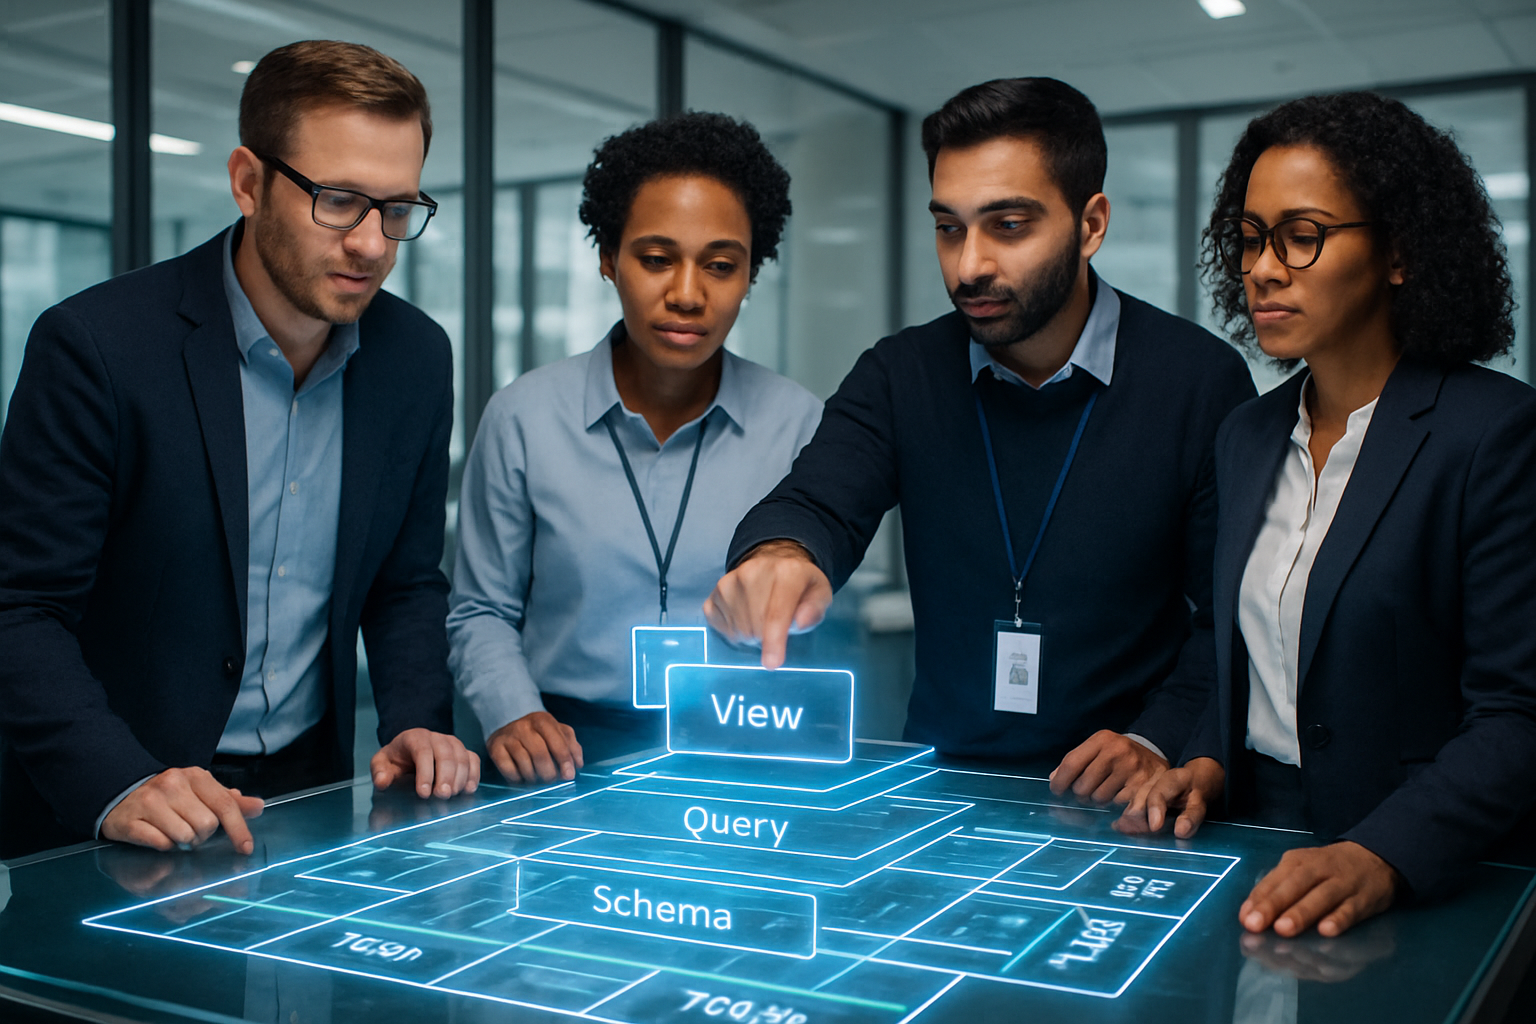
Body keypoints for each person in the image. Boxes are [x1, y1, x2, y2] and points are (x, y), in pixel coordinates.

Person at [704, 78, 1255, 794]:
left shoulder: (1197, 379)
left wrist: (1157, 737)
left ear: (1091, 224)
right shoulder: (901, 373)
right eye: (949, 227)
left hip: (1125, 793)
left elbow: (1233, 616)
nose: (968, 266)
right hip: (939, 786)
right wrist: (781, 553)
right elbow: (818, 498)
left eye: (1009, 225)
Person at [0, 40, 479, 860]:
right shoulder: (97, 346)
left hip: (311, 797)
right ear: (248, 183)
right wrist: (117, 780)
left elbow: (405, 583)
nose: (372, 244)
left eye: (397, 208)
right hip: (123, 802)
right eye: (338, 200)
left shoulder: (416, 357)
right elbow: (19, 607)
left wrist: (414, 723)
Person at [1120, 91, 1536, 939]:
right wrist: (1207, 760)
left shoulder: (1495, 433)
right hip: (1253, 841)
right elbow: (1240, 653)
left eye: (1301, 235)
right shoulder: (1245, 435)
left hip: (1429, 863)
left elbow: (1518, 714)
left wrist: (1380, 853)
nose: (1264, 268)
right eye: (1248, 239)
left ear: (1398, 252)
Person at [447, 113, 822, 784]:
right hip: (559, 750)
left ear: (751, 274)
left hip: (739, 748)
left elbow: (824, 616)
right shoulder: (523, 418)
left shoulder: (799, 425)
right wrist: (509, 711)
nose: (686, 294)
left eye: (720, 266)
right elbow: (481, 608)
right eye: (656, 259)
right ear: (606, 258)